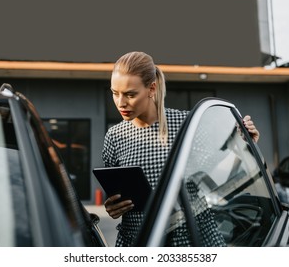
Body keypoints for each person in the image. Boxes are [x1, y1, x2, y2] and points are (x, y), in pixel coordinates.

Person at [102, 51, 260, 247]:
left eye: (130, 94)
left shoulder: (186, 124)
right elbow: (116, 193)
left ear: (151, 88)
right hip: (139, 242)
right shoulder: (114, 136)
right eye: (114, 93)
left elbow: (222, 178)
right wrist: (113, 206)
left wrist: (242, 142)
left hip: (192, 239)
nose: (120, 103)